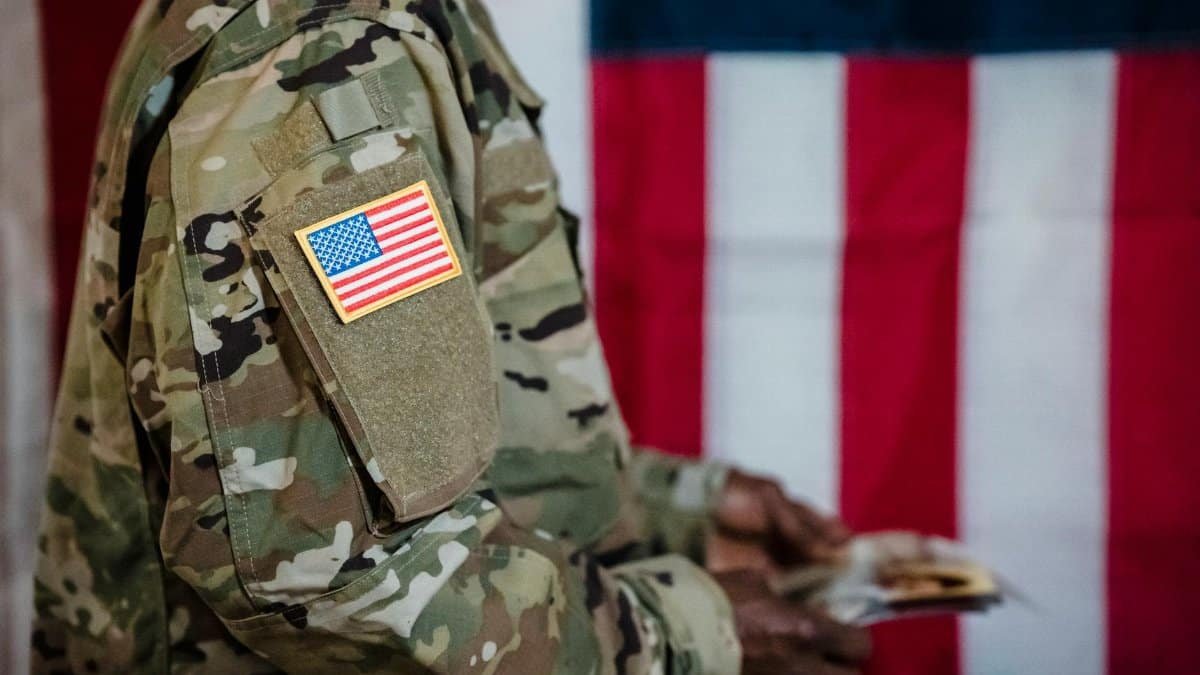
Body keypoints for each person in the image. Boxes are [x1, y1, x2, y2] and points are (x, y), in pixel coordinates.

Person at [32, 1, 869, 672]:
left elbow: (402, 434)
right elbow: (336, 566)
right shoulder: (324, 63)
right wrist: (689, 632)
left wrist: (667, 511)